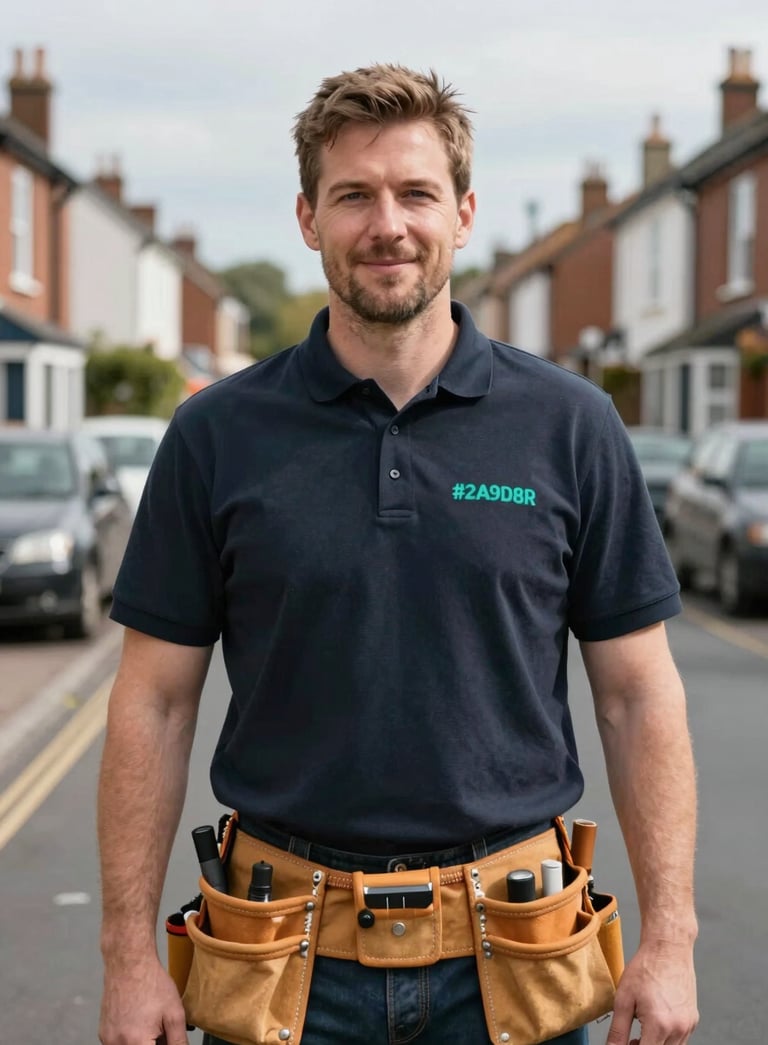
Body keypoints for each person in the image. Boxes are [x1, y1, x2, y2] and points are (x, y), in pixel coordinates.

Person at [97, 63, 698, 1045]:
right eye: (354, 196)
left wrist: (670, 935)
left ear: (462, 214)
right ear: (307, 218)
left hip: (520, 954)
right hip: (277, 958)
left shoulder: (572, 427)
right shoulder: (217, 436)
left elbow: (638, 694)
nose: (389, 223)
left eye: (416, 193)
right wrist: (126, 955)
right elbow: (154, 701)